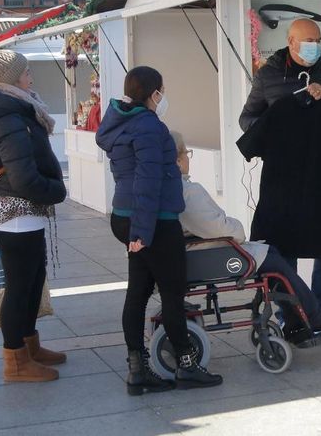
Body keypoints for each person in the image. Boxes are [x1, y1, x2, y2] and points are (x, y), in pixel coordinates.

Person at [96, 66, 222, 395]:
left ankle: (138, 371)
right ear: (154, 94)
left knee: (138, 292)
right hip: (153, 219)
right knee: (172, 293)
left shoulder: (120, 121)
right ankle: (187, 366)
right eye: (161, 91)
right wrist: (142, 232)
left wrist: (136, 231)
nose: (163, 97)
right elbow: (148, 181)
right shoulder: (149, 126)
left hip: (127, 215)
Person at [171, 131, 321, 342]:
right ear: (177, 160)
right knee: (275, 264)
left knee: (272, 256)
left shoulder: (172, 187)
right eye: (187, 153)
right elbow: (221, 229)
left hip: (201, 250)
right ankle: (314, 316)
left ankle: (298, 319)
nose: (188, 158)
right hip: (211, 254)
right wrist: (238, 227)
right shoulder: (187, 192)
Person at [239, 18, 321, 319]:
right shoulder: (269, 74)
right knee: (285, 237)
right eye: (308, 41)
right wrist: (281, 128)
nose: (314, 46)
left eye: (318, 40)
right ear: (291, 42)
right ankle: (289, 309)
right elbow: (248, 120)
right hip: (284, 171)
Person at [0, 45, 67, 383]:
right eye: (24, 73)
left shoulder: (12, 110)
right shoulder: (8, 119)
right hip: (13, 210)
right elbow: (23, 177)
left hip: (20, 211)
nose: (30, 77)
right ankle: (16, 362)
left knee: (33, 280)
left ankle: (29, 346)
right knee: (20, 286)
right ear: (9, 80)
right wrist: (57, 190)